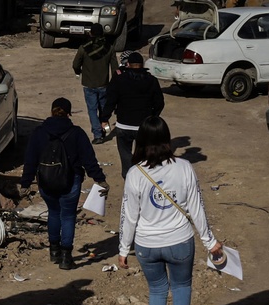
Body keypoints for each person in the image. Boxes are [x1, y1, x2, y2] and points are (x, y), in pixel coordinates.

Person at [117, 116, 223, 305]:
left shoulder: (135, 173)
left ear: (140, 141)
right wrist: (210, 242)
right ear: (167, 139)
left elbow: (129, 216)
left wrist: (123, 248)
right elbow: (197, 208)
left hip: (146, 245)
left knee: (156, 292)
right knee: (181, 286)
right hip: (179, 241)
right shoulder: (184, 167)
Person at [20, 97, 109, 270]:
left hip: (46, 182)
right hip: (71, 180)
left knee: (54, 213)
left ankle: (54, 252)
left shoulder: (39, 132)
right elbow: (89, 160)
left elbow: (30, 160)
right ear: (68, 113)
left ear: (52, 111)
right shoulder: (76, 133)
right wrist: (100, 179)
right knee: (68, 216)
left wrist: (25, 183)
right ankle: (66, 258)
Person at [99, 51, 165, 179]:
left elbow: (110, 100)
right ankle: (143, 177)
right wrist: (153, 117)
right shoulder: (151, 80)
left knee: (125, 154)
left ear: (128, 64)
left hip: (124, 124)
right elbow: (160, 102)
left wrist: (104, 118)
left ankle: (129, 177)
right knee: (144, 154)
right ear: (142, 64)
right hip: (144, 126)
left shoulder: (119, 79)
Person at [72, 23, 119, 145]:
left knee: (92, 110)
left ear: (90, 33)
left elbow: (76, 64)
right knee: (104, 109)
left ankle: (98, 134)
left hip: (89, 85)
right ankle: (104, 127)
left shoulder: (84, 48)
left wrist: (79, 71)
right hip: (104, 84)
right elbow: (115, 68)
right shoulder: (109, 48)